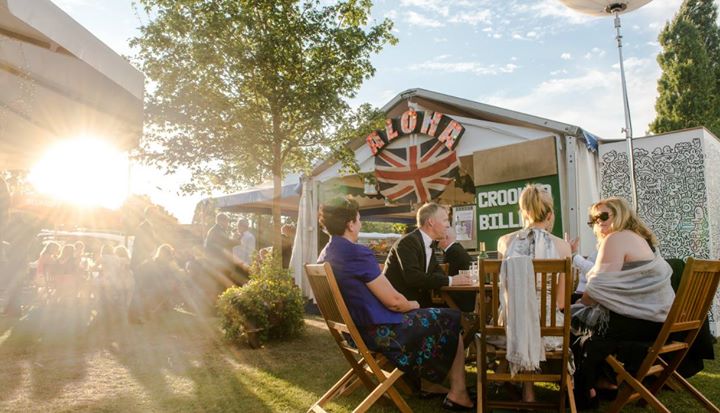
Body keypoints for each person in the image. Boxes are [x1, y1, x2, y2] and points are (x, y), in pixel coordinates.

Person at [318, 197, 475, 410]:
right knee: (451, 319)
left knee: (438, 316)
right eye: (359, 219)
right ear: (350, 224)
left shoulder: (327, 253)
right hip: (380, 332)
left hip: (354, 331)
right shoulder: (356, 253)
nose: (360, 224)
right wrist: (414, 305)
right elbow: (394, 302)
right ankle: (458, 393)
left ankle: (431, 383)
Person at [571, 197, 674, 409]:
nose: (598, 222)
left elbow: (597, 289)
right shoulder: (640, 239)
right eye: (593, 220)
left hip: (639, 323)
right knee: (585, 318)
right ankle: (604, 382)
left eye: (603, 216)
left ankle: (585, 389)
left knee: (567, 318)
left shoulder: (615, 238)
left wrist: (577, 304)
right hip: (658, 323)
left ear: (620, 214)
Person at [496, 183, 572, 403]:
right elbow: (560, 302)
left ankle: (523, 388)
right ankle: (556, 390)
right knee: (536, 321)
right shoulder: (562, 247)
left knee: (522, 318)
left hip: (509, 328)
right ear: (549, 215)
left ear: (523, 212)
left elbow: (504, 289)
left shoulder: (505, 242)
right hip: (549, 330)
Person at [384, 203, 472, 308]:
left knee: (456, 312)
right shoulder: (408, 242)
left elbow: (438, 273)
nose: (448, 225)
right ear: (431, 222)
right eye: (445, 220)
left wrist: (457, 280)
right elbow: (413, 277)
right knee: (454, 315)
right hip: (401, 307)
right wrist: (452, 280)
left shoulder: (426, 243)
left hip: (419, 304)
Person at [438, 227, 475, 312]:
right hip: (467, 296)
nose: (435, 240)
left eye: (438, 237)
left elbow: (445, 277)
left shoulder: (452, 252)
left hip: (460, 298)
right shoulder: (456, 249)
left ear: (445, 237)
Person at [131, 206, 158, 271]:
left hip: (147, 262)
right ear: (149, 215)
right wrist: (149, 259)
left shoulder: (153, 227)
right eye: (155, 214)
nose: (157, 216)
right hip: (141, 263)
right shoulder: (143, 227)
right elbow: (138, 246)